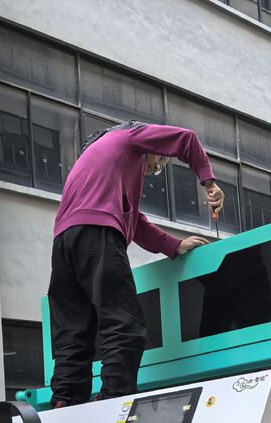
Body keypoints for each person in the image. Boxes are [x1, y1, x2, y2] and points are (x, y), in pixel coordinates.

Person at [48, 121, 225, 407]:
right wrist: (210, 182)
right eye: (157, 163)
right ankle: (113, 402)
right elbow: (186, 138)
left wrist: (173, 245)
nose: (150, 169)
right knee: (123, 324)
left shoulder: (94, 162)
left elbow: (135, 221)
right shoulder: (130, 136)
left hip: (64, 243)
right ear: (154, 151)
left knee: (73, 332)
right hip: (98, 233)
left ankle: (64, 404)